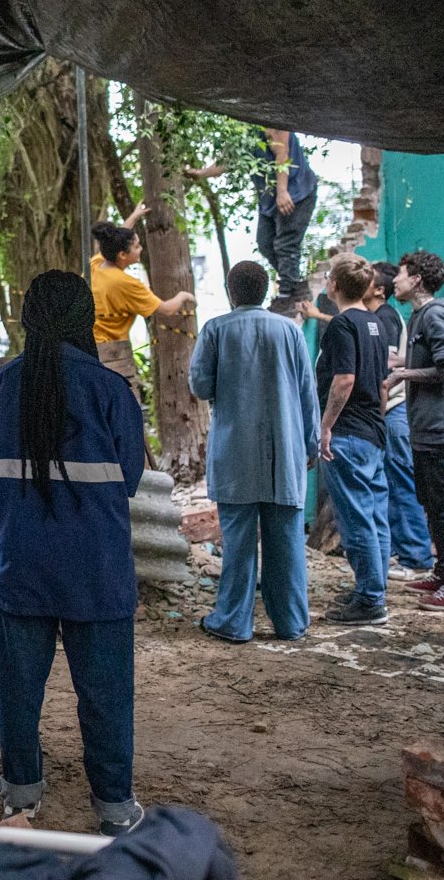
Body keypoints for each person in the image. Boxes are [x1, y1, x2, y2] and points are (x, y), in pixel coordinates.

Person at [0, 270, 146, 835]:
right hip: (95, 572)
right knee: (106, 695)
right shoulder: (110, 391)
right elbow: (130, 479)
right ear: (84, 319)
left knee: (19, 692)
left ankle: (20, 798)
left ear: (28, 320)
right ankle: (115, 810)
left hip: (18, 565)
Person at [189, 261, 320, 643]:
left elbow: (199, 385)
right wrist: (310, 443)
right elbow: (306, 393)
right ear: (264, 292)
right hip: (286, 450)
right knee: (287, 543)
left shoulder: (215, 329)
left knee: (239, 543)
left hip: (235, 451)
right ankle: (291, 622)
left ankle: (233, 621)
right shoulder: (290, 331)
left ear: (232, 291)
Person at [384, 250, 444, 611]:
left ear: (417, 279)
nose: (395, 279)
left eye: (402, 274)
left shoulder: (436, 314)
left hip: (442, 428)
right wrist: (402, 361)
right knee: (434, 505)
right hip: (426, 429)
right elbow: (433, 359)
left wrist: (404, 374)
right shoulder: (420, 314)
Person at [314, 254, 393, 625]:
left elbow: (343, 380)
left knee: (356, 518)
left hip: (348, 433)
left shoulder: (342, 325)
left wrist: (325, 426)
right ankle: (372, 588)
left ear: (334, 286)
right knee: (375, 515)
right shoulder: (376, 323)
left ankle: (370, 600)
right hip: (373, 430)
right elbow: (381, 385)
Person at [189, 128, 319, 316]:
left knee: (286, 244)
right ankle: (295, 286)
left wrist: (282, 191)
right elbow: (226, 162)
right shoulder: (242, 131)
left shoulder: (271, 120)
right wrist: (200, 174)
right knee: (265, 243)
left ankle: (286, 296)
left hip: (295, 194)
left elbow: (282, 153)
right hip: (269, 199)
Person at [90, 212, 195, 382]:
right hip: (112, 355)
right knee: (125, 404)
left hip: (85, 349)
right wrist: (184, 295)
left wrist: (134, 216)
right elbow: (167, 309)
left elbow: (116, 239)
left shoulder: (96, 265)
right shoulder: (127, 283)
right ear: (122, 255)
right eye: (137, 246)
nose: (141, 249)